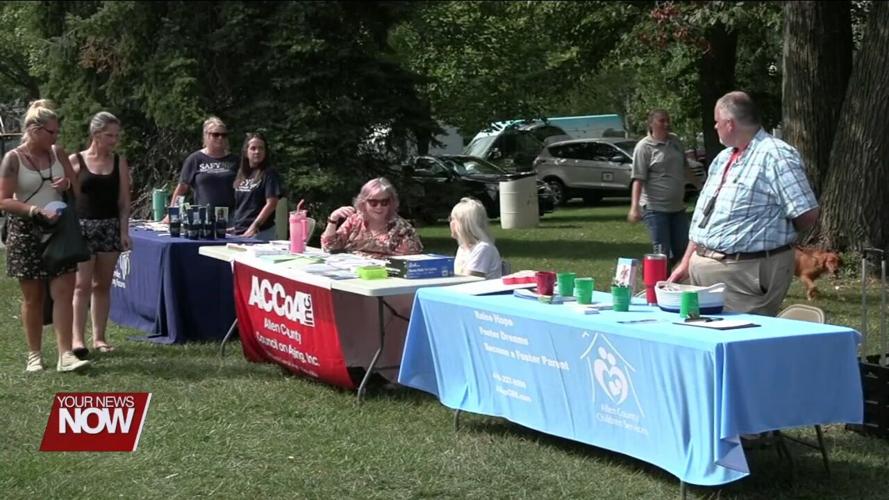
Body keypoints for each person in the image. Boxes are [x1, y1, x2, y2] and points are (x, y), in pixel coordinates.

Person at [668, 91, 819, 316]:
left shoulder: (775, 155)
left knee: (737, 344)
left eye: (717, 122)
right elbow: (703, 217)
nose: (715, 127)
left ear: (730, 124)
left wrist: (772, 229)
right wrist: (687, 261)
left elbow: (806, 213)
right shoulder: (723, 158)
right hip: (703, 271)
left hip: (746, 275)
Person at [0, 99, 90, 372]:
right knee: (33, 296)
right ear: (35, 130)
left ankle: (66, 355)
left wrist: (66, 184)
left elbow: (78, 188)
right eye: (51, 132)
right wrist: (34, 211)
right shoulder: (13, 159)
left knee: (64, 291)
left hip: (60, 228)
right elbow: (3, 200)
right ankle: (34, 356)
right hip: (26, 229)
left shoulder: (58, 153)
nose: (55, 137)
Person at [69, 111, 132, 358]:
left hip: (109, 228)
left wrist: (124, 231)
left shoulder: (119, 162)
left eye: (116, 136)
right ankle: (76, 339)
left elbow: (124, 202)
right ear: (96, 134)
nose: (113, 141)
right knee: (80, 286)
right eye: (109, 135)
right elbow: (65, 193)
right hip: (82, 228)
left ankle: (99, 338)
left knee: (102, 285)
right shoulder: (76, 160)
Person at [627, 109, 699, 266]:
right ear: (651, 123)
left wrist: (702, 186)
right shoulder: (644, 147)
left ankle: (677, 285)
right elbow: (638, 179)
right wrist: (634, 208)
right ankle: (658, 285)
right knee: (661, 253)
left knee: (684, 250)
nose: (666, 124)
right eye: (661, 121)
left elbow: (685, 167)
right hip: (655, 209)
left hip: (677, 208)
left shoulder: (675, 141)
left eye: (667, 120)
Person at [321, 177, 422, 258]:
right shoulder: (355, 220)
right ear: (363, 202)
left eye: (384, 202)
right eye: (373, 202)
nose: (379, 207)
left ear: (391, 203)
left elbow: (411, 261)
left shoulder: (403, 229)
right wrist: (333, 219)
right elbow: (329, 247)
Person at [168, 116, 238, 214]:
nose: (220, 138)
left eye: (224, 135)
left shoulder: (235, 160)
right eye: (215, 134)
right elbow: (182, 188)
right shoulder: (195, 159)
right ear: (206, 135)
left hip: (231, 217)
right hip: (203, 217)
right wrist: (173, 213)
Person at [230, 133, 284, 240]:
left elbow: (272, 203)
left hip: (261, 233)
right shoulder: (241, 173)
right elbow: (243, 205)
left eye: (261, 148)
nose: (257, 152)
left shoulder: (269, 173)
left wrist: (254, 227)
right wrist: (236, 227)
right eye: (253, 148)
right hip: (240, 232)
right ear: (246, 152)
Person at [450, 197, 502, 278]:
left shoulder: (483, 248)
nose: (451, 223)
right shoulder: (463, 248)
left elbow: (469, 280)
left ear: (466, 225)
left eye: (454, 219)